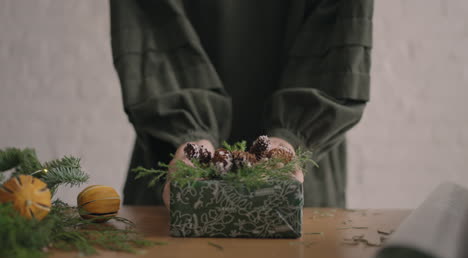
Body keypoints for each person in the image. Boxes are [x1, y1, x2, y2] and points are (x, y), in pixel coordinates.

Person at [110, 0, 373, 208]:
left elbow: (340, 36)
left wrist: (291, 138)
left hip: (298, 178)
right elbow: (149, 26)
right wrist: (189, 134)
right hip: (177, 176)